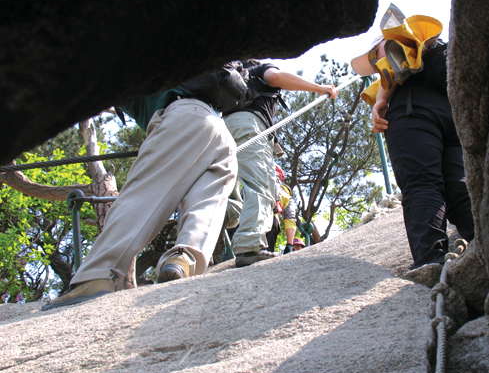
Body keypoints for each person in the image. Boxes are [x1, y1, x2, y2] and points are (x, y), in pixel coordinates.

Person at [42, 71, 238, 311]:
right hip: (221, 133)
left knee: (142, 195)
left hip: (184, 118)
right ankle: (184, 258)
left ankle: (95, 275)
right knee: (206, 204)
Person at [351, 4, 475, 271]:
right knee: (459, 186)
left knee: (422, 183)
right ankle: (486, 243)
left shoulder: (397, 45)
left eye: (374, 55)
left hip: (413, 111)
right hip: (452, 117)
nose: (374, 63)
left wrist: (380, 101)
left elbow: (396, 63)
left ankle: (431, 262)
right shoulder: (435, 54)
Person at [223, 60, 338, 267]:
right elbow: (276, 78)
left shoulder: (231, 74)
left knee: (225, 191)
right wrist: (320, 88)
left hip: (221, 128)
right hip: (249, 125)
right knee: (261, 185)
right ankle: (249, 246)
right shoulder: (258, 68)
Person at [265, 165, 299, 253]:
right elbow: (290, 220)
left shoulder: (254, 181)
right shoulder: (286, 196)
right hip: (270, 222)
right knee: (263, 254)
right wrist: (289, 244)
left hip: (245, 219)